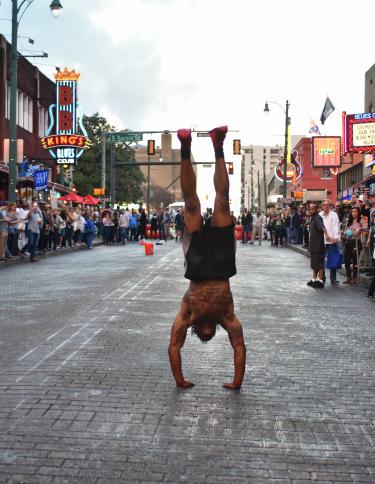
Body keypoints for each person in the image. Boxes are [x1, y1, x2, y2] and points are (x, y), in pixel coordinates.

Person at [168, 126, 246, 390]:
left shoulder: (187, 314)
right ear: (214, 330)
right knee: (223, 201)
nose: (207, 330)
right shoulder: (226, 315)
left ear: (198, 331)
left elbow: (174, 346)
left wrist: (180, 381)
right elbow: (239, 345)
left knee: (191, 204)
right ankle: (218, 145)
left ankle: (186, 146)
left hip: (198, 265)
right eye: (210, 332)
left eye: (205, 332)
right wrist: (236, 382)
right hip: (222, 265)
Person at [307, 203, 330, 288]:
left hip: (318, 245)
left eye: (313, 209)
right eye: (310, 209)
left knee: (319, 264)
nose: (311, 210)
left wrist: (327, 235)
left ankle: (320, 281)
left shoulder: (317, 218)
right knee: (314, 264)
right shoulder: (313, 218)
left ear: (316, 209)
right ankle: (313, 280)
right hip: (314, 245)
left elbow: (323, 227)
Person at [342, 206, 366, 284]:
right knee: (346, 260)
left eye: (355, 211)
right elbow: (344, 229)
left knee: (355, 260)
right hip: (348, 241)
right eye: (352, 211)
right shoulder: (349, 220)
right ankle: (348, 277)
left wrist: (360, 228)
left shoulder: (361, 219)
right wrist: (344, 232)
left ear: (358, 212)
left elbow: (366, 227)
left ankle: (354, 278)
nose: (353, 213)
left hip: (357, 241)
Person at [320, 199, 341, 285]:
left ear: (330, 206)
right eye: (324, 205)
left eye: (328, 205)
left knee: (333, 259)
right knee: (321, 260)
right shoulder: (319, 215)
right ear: (322, 206)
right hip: (322, 241)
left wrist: (336, 237)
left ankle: (333, 278)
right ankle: (322, 277)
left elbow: (337, 226)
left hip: (332, 240)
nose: (326, 206)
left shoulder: (334, 215)